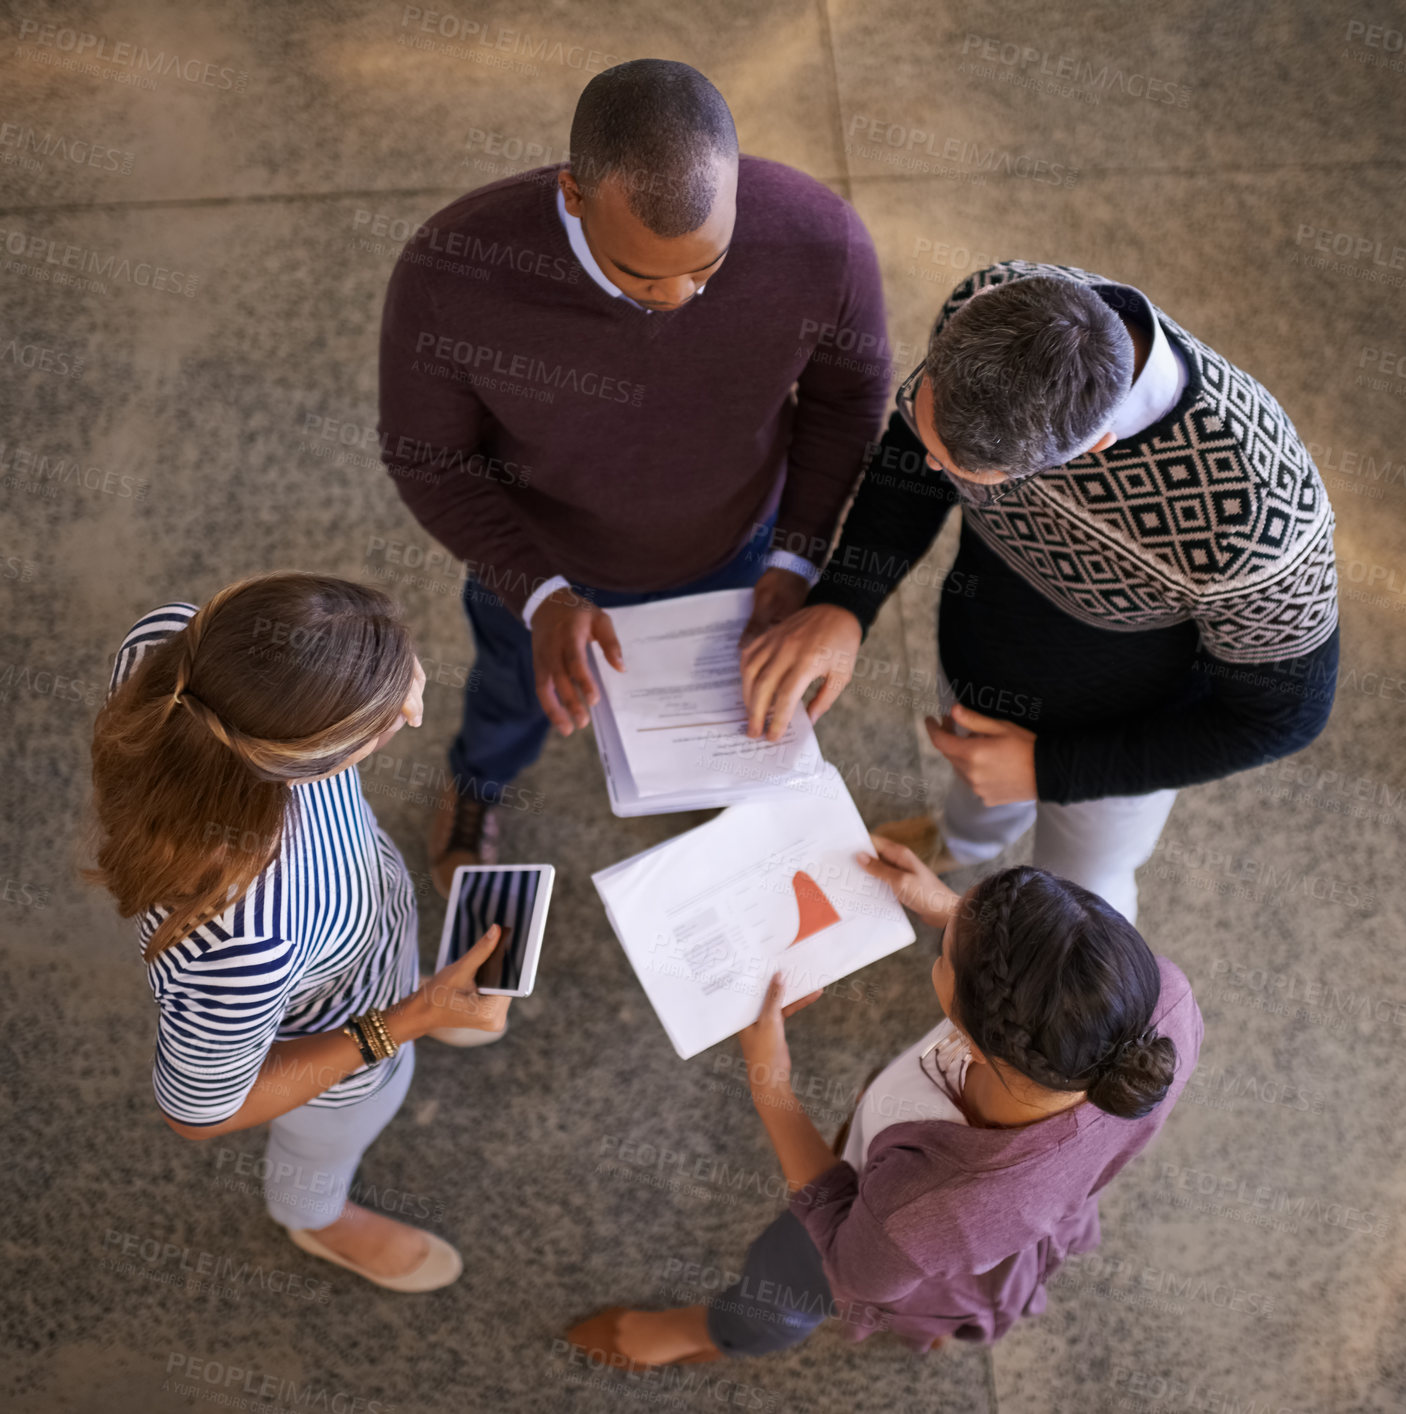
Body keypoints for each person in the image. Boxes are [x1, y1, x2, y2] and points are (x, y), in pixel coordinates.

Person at [378, 58, 890, 895]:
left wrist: (797, 558)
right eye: (641, 276)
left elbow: (847, 403)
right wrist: (539, 596)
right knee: (510, 697)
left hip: (739, 545)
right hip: (542, 562)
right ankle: (476, 787)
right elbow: (428, 456)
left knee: (728, 714)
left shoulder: (820, 238)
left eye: (709, 264)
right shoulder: (452, 271)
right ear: (574, 195)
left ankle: (713, 795)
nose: (681, 297)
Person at [740, 262, 1339, 922]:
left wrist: (1051, 770)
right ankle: (963, 840)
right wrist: (846, 600)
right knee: (973, 801)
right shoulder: (989, 301)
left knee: (1082, 894)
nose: (933, 464)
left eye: (965, 473)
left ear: (1094, 447)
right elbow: (913, 460)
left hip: (1119, 741)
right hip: (978, 659)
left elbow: (1284, 715)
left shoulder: (1257, 516)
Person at [566, 838, 1203, 1363]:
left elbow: (849, 1266)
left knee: (783, 1279)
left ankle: (700, 1335)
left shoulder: (930, 1207)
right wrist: (964, 918)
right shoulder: (1163, 1003)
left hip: (888, 1242)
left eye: (947, 951)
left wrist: (773, 1088)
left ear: (977, 1041)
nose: (946, 930)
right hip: (989, 1214)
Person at [87, 574, 510, 1291]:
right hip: (338, 1058)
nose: (409, 712)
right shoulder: (248, 941)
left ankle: (434, 1003)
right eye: (387, 715)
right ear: (312, 760)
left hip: (357, 956)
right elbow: (198, 1114)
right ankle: (315, 1217)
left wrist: (363, 669)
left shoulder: (177, 646)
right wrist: (407, 1020)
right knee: (326, 1145)